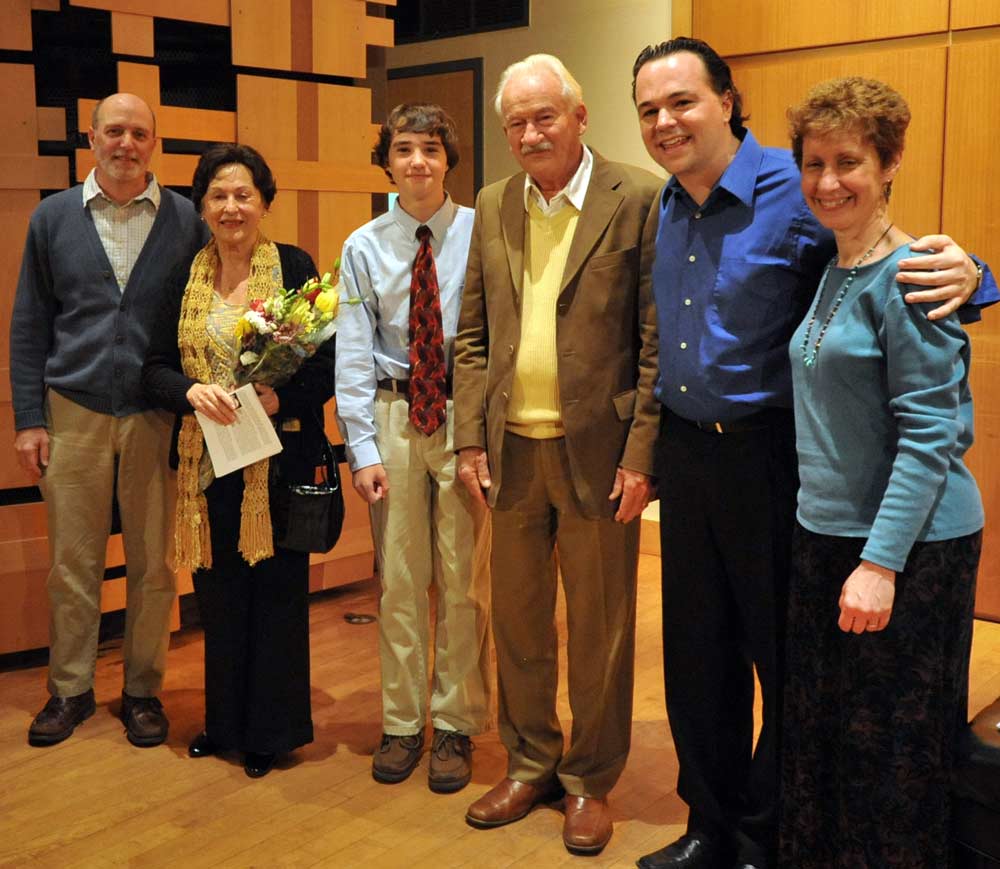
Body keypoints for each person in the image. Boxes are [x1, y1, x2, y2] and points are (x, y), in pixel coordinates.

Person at [630, 38, 997, 869]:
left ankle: (768, 833)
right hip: (689, 456)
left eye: (682, 101)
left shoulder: (792, 193)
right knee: (697, 652)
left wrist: (976, 272)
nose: (665, 121)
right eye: (649, 109)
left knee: (788, 664)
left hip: (772, 458)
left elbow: (899, 269)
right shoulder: (662, 205)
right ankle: (708, 824)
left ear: (727, 100)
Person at [453, 54, 662, 856]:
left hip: (600, 453)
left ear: (578, 116)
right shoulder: (493, 203)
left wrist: (641, 453)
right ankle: (530, 759)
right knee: (518, 621)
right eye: (516, 122)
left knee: (603, 626)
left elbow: (653, 343)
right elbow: (471, 336)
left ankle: (589, 779)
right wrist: (469, 434)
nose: (531, 133)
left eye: (545, 116)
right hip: (510, 452)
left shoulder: (636, 196)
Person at [779, 76, 983, 869]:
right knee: (828, 737)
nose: (828, 181)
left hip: (905, 548)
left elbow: (932, 433)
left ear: (890, 163)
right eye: (814, 162)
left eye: (850, 162)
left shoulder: (916, 274)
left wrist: (880, 563)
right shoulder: (834, 266)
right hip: (829, 532)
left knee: (893, 750)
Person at [10, 93, 207, 748]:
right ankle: (69, 687)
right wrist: (29, 417)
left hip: (155, 413)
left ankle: (144, 690)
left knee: (154, 563)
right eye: (114, 131)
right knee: (73, 560)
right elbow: (30, 323)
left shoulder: (184, 219)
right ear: (91, 138)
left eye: (139, 133)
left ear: (155, 143)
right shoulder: (52, 218)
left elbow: (202, 316)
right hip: (73, 408)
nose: (126, 142)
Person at [141, 143, 334, 779]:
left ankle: (270, 733)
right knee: (218, 601)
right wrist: (188, 392)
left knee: (276, 598)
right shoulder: (182, 277)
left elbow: (327, 361)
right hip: (205, 467)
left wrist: (283, 393)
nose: (231, 207)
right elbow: (153, 369)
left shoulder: (296, 267)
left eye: (243, 194)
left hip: (276, 461)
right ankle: (223, 723)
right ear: (201, 206)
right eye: (218, 195)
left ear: (265, 204)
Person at [334, 103, 491, 793]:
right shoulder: (363, 245)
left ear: (448, 158)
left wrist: (483, 431)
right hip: (394, 415)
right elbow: (353, 355)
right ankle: (402, 723)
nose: (419, 161)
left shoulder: (483, 235)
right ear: (388, 161)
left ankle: (455, 724)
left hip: (464, 419)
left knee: (463, 581)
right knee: (399, 582)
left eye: (431, 148)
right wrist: (360, 448)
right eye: (405, 149)